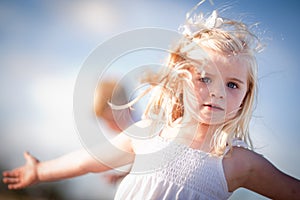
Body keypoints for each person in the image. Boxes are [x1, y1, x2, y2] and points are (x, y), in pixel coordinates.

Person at [2, 1, 300, 199]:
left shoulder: (238, 163)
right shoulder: (148, 134)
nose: (217, 92)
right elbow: (88, 161)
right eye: (205, 78)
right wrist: (40, 171)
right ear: (182, 78)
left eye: (232, 84)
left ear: (246, 96)